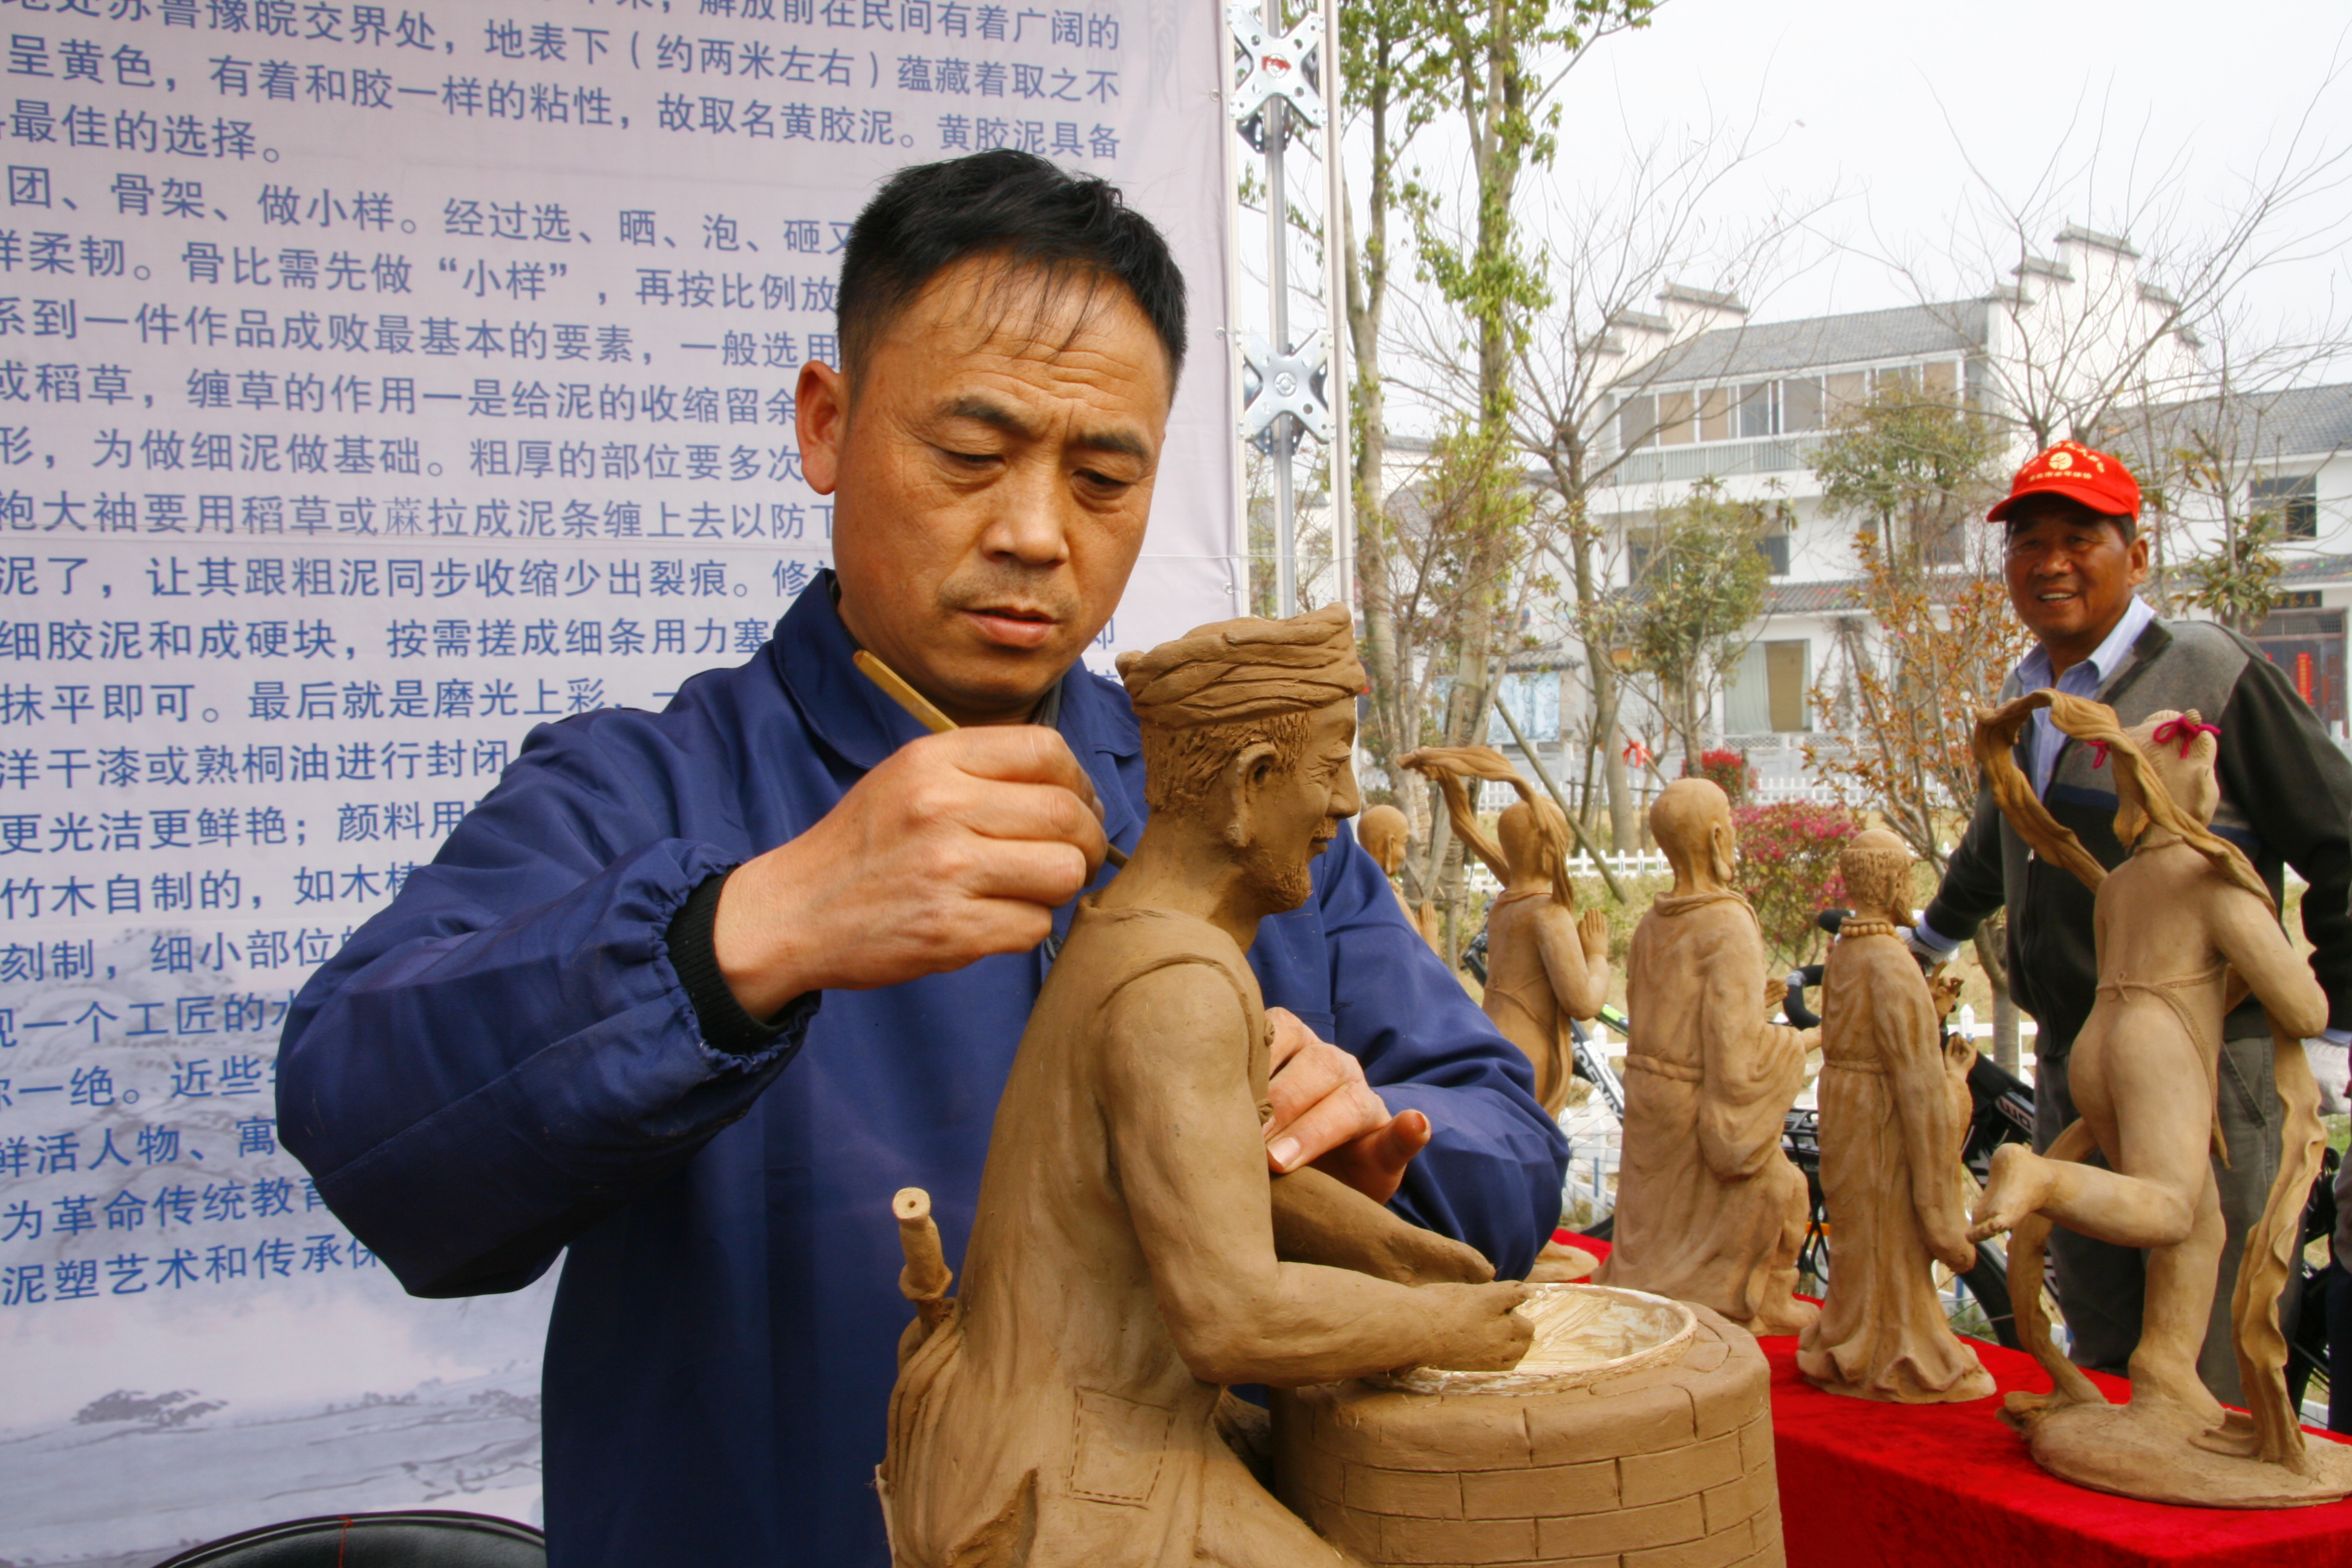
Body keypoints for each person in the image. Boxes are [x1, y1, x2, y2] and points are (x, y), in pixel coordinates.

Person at [273, 149, 1566, 1568]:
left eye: (1102, 477)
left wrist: (1368, 1135)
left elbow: (1504, 1146)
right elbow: (365, 1122)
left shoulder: (1232, 810)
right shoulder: (647, 789)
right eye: (970, 457)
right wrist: (747, 931)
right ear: (827, 425)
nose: (1034, 533)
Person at [881, 605, 1530, 1567]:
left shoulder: (1136, 928)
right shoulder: (1177, 990)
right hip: (1074, 1468)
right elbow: (1231, 1315)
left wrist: (1401, 1253)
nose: (1347, 803)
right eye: (1331, 766)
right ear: (1251, 783)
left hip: (1091, 1424)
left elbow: (1215, 1183)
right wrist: (1440, 1326)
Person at [1913, 440, 2352, 1400]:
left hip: (2212, 1069)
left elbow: (2340, 837)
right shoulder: (2034, 696)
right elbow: (2000, 843)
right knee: (2103, 1325)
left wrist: (2336, 1031)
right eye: (2029, 543)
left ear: (2137, 556)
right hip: (2077, 1061)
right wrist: (1927, 941)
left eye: (2081, 540)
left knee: (2214, 1331)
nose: (2052, 563)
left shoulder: (2209, 671)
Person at [1595, 777, 1819, 1334]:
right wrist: (1812, 1039)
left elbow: (1667, 1015)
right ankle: (1763, 1298)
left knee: (1655, 1222)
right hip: (1696, 1106)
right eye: (1732, 825)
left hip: (1649, 1097)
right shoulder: (1727, 923)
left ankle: (1652, 1287)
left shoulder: (1652, 923)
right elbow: (1737, 1060)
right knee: (1787, 1189)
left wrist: (1754, 1008)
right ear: (1718, 837)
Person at [1797, 830, 1991, 1403]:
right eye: (1906, 877)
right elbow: (1917, 1077)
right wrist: (1955, 1084)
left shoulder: (1847, 951)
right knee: (1891, 1229)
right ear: (1892, 883)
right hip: (1882, 1112)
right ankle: (1894, 1348)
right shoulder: (1889, 959)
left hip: (1843, 1103)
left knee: (1860, 1227)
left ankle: (1849, 1331)